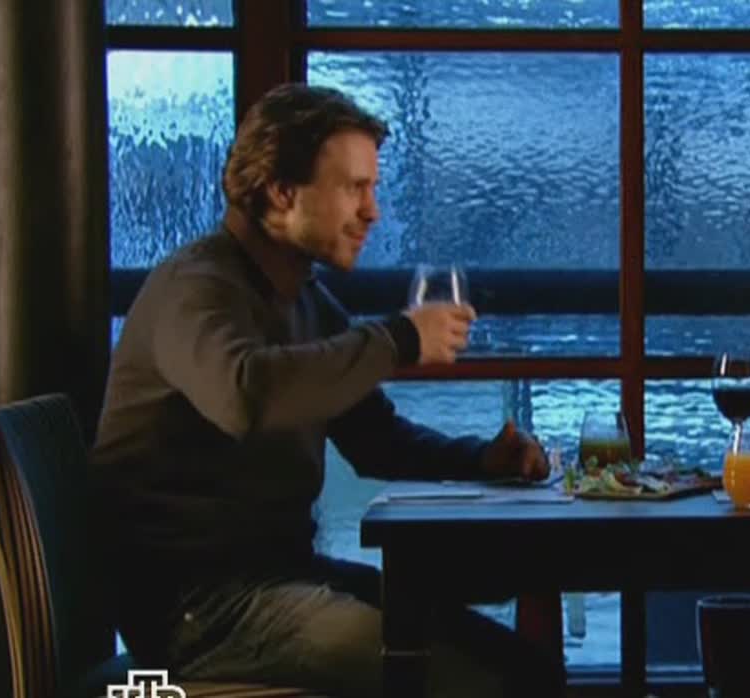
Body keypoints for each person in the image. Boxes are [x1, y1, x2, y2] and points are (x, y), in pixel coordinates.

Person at [89, 83, 563, 698]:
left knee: (520, 666)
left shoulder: (304, 298)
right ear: (281, 192)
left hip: (279, 579)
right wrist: (400, 337)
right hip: (197, 612)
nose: (373, 212)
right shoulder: (194, 286)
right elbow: (246, 395)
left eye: (373, 189)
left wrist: (482, 458)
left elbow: (376, 439)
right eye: (354, 188)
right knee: (480, 681)